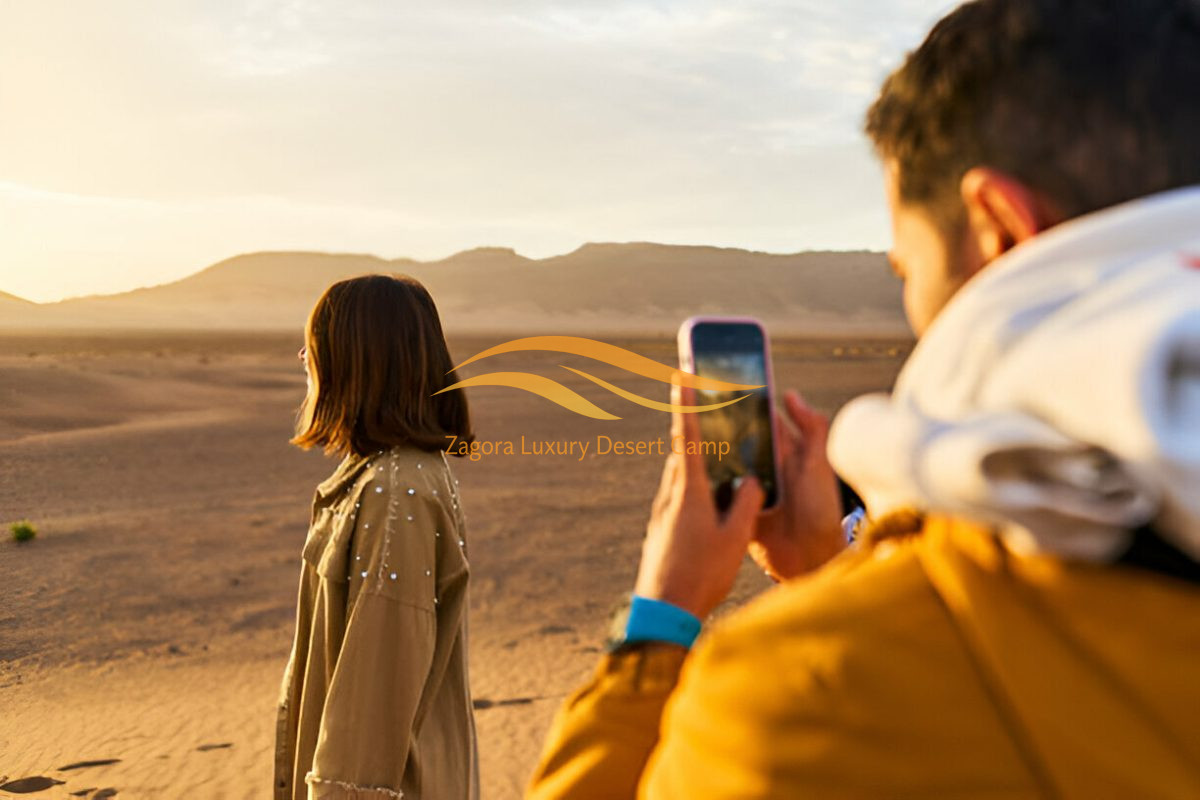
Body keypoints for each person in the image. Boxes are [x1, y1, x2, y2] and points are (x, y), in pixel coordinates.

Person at [527, 0, 1200, 796]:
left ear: (999, 230)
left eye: (906, 271)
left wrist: (661, 618)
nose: (915, 311)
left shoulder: (803, 701)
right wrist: (828, 572)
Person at [275, 274, 480, 800]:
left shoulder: (394, 492)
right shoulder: (394, 474)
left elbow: (372, 703)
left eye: (316, 346)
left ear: (355, 360)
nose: (303, 358)